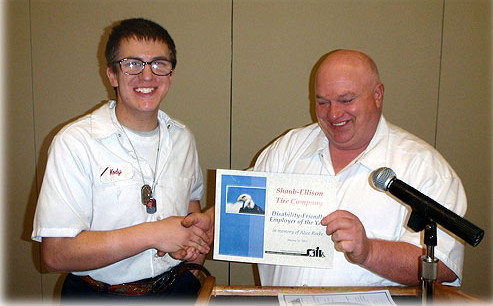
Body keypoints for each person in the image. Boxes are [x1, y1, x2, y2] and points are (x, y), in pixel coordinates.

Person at [31, 18, 213, 301]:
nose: (147, 76)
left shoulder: (182, 138)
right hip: (101, 294)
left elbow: (191, 207)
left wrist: (192, 261)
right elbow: (56, 254)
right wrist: (153, 234)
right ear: (112, 75)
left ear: (171, 74)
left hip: (178, 289)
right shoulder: (76, 142)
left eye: (159, 64)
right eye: (132, 64)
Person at [253, 49, 466, 287]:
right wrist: (211, 222)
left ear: (377, 95)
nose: (333, 113)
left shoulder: (424, 168)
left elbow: (444, 265)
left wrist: (369, 252)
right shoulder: (289, 148)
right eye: (323, 102)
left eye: (346, 100)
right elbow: (244, 203)